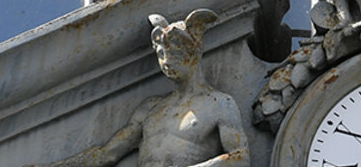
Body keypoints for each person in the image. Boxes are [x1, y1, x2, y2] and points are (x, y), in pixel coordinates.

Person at [29, 10, 249, 167]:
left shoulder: (220, 104)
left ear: (194, 54)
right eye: (161, 55)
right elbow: (107, 155)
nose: (166, 62)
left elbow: (240, 158)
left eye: (174, 54)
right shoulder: (150, 109)